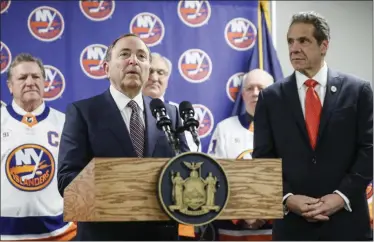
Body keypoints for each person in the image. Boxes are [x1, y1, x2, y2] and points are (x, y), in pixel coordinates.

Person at [252, 11, 373, 240]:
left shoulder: (358, 92)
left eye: (303, 41)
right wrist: (287, 198)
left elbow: (369, 150)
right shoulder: (270, 98)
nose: (294, 48)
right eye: (290, 41)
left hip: (347, 225)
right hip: (292, 226)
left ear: (324, 45)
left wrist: (340, 197)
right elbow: (263, 158)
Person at [57, 33, 190, 241]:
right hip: (105, 235)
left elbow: (185, 169)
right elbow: (67, 181)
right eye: (125, 54)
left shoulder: (169, 114)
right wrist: (124, 189)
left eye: (141, 56)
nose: (133, 61)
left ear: (147, 69)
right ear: (106, 68)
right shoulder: (83, 112)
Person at [1, 53, 76, 240]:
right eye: (22, 77)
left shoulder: (66, 123)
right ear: (10, 86)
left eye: (35, 76)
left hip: (60, 233)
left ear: (44, 82)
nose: (30, 82)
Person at [207, 69, 274, 241]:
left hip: (274, 226)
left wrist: (265, 213)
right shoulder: (225, 128)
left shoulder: (285, 130)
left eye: (261, 88)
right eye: (250, 88)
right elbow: (214, 176)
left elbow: (288, 176)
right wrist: (241, 214)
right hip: (231, 227)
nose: (255, 93)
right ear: (243, 94)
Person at [143, 52, 201, 152]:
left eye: (160, 73)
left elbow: (191, 152)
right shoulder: (129, 109)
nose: (154, 78)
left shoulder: (179, 113)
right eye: (149, 71)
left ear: (167, 80)